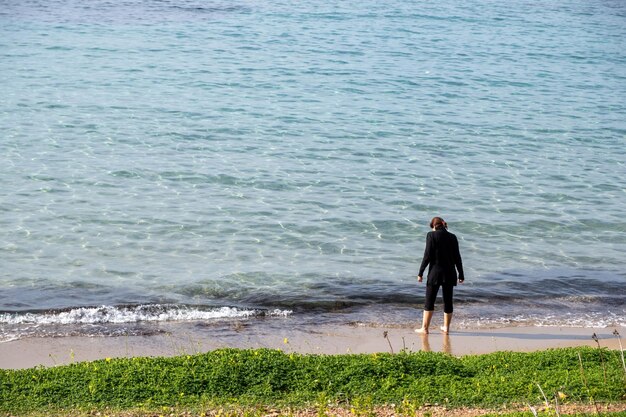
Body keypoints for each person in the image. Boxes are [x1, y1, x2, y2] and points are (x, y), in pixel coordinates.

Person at [415, 216, 464, 334]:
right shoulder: (452, 237)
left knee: (429, 301)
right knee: (448, 301)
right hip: (450, 274)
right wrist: (461, 274)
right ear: (443, 224)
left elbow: (427, 256)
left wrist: (420, 272)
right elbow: (457, 257)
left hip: (435, 274)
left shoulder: (431, 235)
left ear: (433, 226)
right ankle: (446, 328)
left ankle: (425, 329)